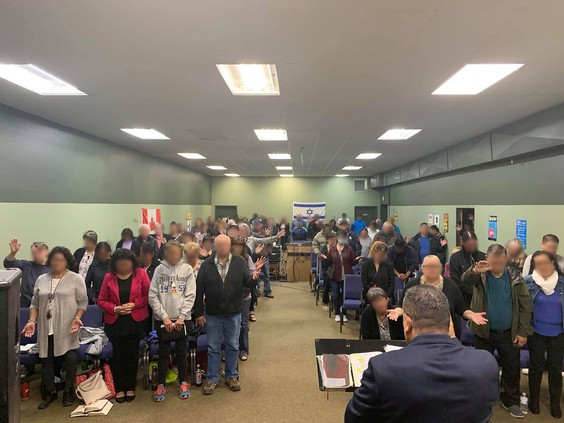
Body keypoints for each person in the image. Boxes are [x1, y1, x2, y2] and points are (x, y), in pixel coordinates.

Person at [345, 285, 499, 423]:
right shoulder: (486, 363)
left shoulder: (382, 368)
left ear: (407, 323)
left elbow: (354, 418)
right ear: (449, 322)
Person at [462, 244, 533, 419]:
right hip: (483, 332)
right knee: (482, 367)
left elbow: (525, 305)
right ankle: (483, 396)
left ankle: (511, 400)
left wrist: (523, 332)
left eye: (500, 263)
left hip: (509, 332)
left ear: (506, 259)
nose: (496, 267)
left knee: (512, 368)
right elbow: (465, 281)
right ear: (487, 259)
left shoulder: (515, 277)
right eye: (493, 263)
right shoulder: (481, 275)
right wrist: (474, 271)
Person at [23, 247, 88, 409]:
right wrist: (31, 320)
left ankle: (68, 391)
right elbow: (34, 303)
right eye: (54, 259)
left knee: (70, 358)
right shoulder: (41, 279)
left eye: (60, 260)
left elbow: (83, 302)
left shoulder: (76, 279)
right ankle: (50, 392)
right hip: (46, 327)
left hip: (68, 326)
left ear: (67, 262)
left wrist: (77, 318)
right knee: (46, 359)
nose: (56, 262)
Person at [195, 235, 258, 395]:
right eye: (219, 245)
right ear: (215, 247)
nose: (222, 247)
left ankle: (232, 376)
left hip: (233, 312)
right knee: (213, 347)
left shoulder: (239, 262)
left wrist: (254, 279)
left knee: (233, 346)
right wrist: (199, 313)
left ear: (229, 246)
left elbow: (248, 282)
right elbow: (199, 289)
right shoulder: (206, 265)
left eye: (225, 245)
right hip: (213, 313)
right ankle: (212, 378)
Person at [389, 255, 488, 339]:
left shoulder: (451, 286)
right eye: (429, 266)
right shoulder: (412, 285)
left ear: (441, 268)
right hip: (419, 334)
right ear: (422, 268)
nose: (432, 269)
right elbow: (401, 305)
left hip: (446, 335)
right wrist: (398, 311)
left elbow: (462, 308)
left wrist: (471, 315)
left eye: (436, 266)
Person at [97, 249, 150, 403]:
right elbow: (101, 300)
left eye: (126, 264)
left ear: (132, 263)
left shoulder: (141, 274)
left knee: (132, 354)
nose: (123, 267)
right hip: (116, 321)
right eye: (120, 264)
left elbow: (148, 296)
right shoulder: (109, 277)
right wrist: (115, 308)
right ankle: (119, 387)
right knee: (118, 354)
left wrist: (134, 304)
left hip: (135, 320)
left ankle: (130, 386)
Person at [149, 240, 196, 402]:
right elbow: (152, 295)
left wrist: (182, 317)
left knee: (181, 352)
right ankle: (161, 384)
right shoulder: (159, 270)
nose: (174, 256)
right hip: (164, 319)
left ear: (180, 254)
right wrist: (164, 317)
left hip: (182, 319)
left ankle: (183, 382)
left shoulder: (187, 269)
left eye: (176, 253)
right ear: (165, 254)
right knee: (164, 352)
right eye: (171, 254)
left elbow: (191, 295)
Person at [524, 251, 564, 418]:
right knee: (536, 367)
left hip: (558, 333)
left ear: (553, 263)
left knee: (555, 369)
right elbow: (523, 308)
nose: (542, 267)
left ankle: (555, 403)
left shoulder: (562, 282)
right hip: (536, 332)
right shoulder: (528, 282)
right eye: (538, 264)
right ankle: (534, 400)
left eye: (545, 263)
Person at [231, 237, 266, 361]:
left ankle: (243, 350)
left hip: (245, 296)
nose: (237, 248)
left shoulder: (247, 258)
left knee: (243, 324)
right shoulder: (227, 259)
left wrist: (256, 270)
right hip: (230, 297)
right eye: (235, 245)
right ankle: (229, 350)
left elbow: (251, 275)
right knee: (231, 325)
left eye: (240, 246)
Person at [321, 230, 357, 322]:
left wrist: (357, 260)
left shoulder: (349, 249)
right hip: (334, 276)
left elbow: (352, 262)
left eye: (344, 237)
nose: (343, 239)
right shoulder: (332, 249)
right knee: (336, 295)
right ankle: (337, 313)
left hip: (346, 275)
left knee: (344, 295)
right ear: (337, 238)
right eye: (341, 237)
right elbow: (329, 261)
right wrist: (324, 258)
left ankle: (344, 313)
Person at [4, 239, 49, 307]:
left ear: (47, 252)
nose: (36, 255)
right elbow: (8, 264)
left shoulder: (54, 269)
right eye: (34, 253)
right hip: (26, 305)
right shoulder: (27, 266)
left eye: (39, 252)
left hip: (46, 305)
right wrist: (13, 253)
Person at [449, 231, 485, 305]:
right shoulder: (455, 258)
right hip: (462, 297)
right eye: (469, 245)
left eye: (474, 244)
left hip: (480, 297)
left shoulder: (482, 257)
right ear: (463, 243)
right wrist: (472, 291)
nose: (472, 247)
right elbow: (455, 280)